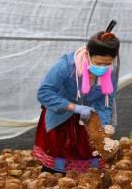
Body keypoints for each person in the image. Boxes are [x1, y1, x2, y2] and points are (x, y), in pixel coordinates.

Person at [34, 22, 119, 173]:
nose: (103, 67)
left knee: (89, 166)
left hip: (89, 121)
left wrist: (104, 127)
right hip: (62, 118)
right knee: (57, 166)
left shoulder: (111, 71)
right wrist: (75, 107)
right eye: (99, 63)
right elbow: (44, 92)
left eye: (108, 63)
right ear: (87, 54)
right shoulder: (67, 65)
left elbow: (105, 100)